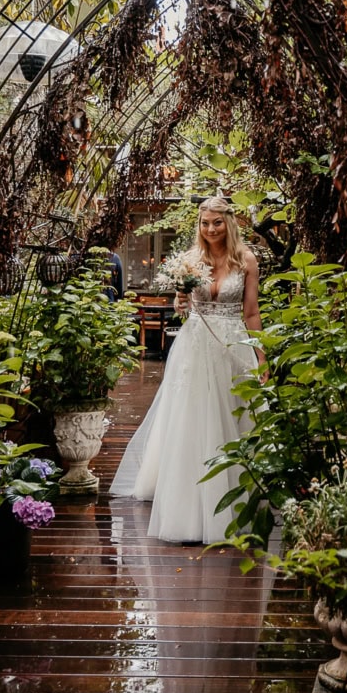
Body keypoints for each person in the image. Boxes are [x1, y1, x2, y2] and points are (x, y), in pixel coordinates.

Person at [108, 197, 265, 543]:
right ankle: (187, 503)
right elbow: (182, 307)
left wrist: (261, 356)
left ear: (230, 223)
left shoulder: (246, 260)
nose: (210, 229)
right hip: (195, 346)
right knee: (192, 419)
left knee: (230, 416)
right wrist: (180, 301)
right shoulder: (191, 261)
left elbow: (251, 313)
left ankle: (235, 496)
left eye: (217, 223)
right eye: (205, 223)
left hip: (231, 346)